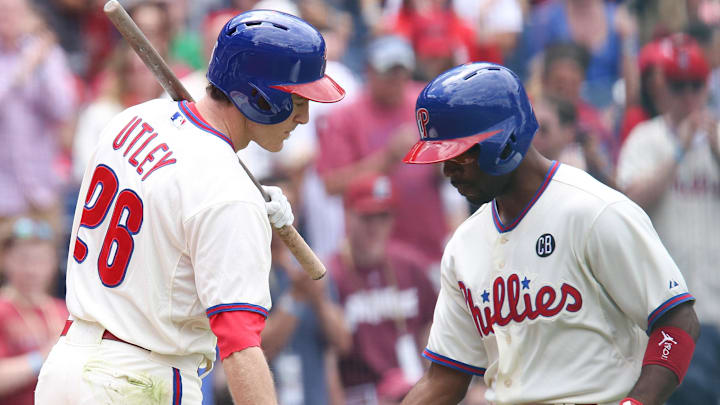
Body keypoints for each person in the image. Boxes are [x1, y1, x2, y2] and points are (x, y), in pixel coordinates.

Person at [34, 10, 345, 405]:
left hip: (67, 367)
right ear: (260, 97)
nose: (304, 118)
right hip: (140, 383)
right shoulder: (230, 194)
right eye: (298, 100)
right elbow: (240, 346)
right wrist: (238, 212)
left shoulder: (134, 117)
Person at [399, 63, 699, 405]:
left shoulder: (594, 211)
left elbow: (678, 320)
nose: (447, 171)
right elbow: (444, 379)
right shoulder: (464, 246)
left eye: (458, 156)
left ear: (504, 141)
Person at [616, 35, 720, 405]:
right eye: (679, 86)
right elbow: (630, 199)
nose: (689, 96)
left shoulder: (718, 138)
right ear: (663, 88)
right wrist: (679, 150)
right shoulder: (646, 138)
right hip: (673, 308)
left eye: (696, 85)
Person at [317, 35, 449, 263]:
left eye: (402, 71)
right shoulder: (345, 117)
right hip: (372, 255)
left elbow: (447, 172)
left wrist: (440, 159)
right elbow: (332, 185)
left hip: (428, 246)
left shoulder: (426, 102)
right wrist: (388, 158)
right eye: (389, 71)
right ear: (369, 71)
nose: (397, 79)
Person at [329, 173, 437, 404]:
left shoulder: (411, 266)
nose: (375, 227)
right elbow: (328, 358)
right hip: (360, 394)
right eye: (367, 217)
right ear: (347, 216)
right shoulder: (332, 274)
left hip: (412, 389)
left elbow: (431, 330)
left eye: (383, 217)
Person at [0, 217, 67, 405]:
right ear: (5, 260)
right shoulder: (3, 309)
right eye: (23, 260)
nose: (32, 270)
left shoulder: (63, 311)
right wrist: (42, 358)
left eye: (41, 260)